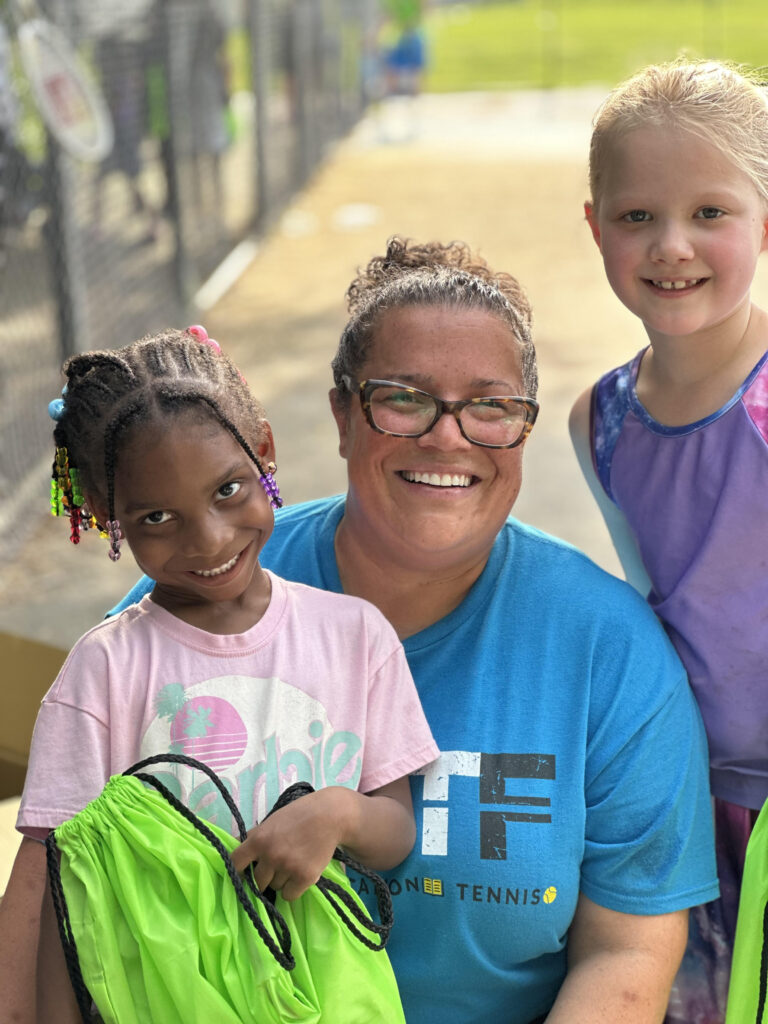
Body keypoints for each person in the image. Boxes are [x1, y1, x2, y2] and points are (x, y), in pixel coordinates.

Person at [108, 238, 718, 1023]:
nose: (447, 437)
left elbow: (626, 952)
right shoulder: (191, 592)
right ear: (341, 414)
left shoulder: (609, 650)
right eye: (404, 398)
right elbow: (75, 865)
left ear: (523, 428)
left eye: (490, 406)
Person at [3, 325, 438, 1023]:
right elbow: (66, 889)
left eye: (229, 489)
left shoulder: (355, 637)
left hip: (330, 991)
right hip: (160, 996)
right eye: (156, 517)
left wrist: (336, 812)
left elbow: (395, 831)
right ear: (106, 518)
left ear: (264, 450)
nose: (207, 539)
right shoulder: (105, 669)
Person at [569, 60, 768, 1024]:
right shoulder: (597, 422)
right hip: (688, 814)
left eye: (711, 213)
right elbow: (655, 610)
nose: (672, 245)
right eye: (637, 215)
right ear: (596, 225)